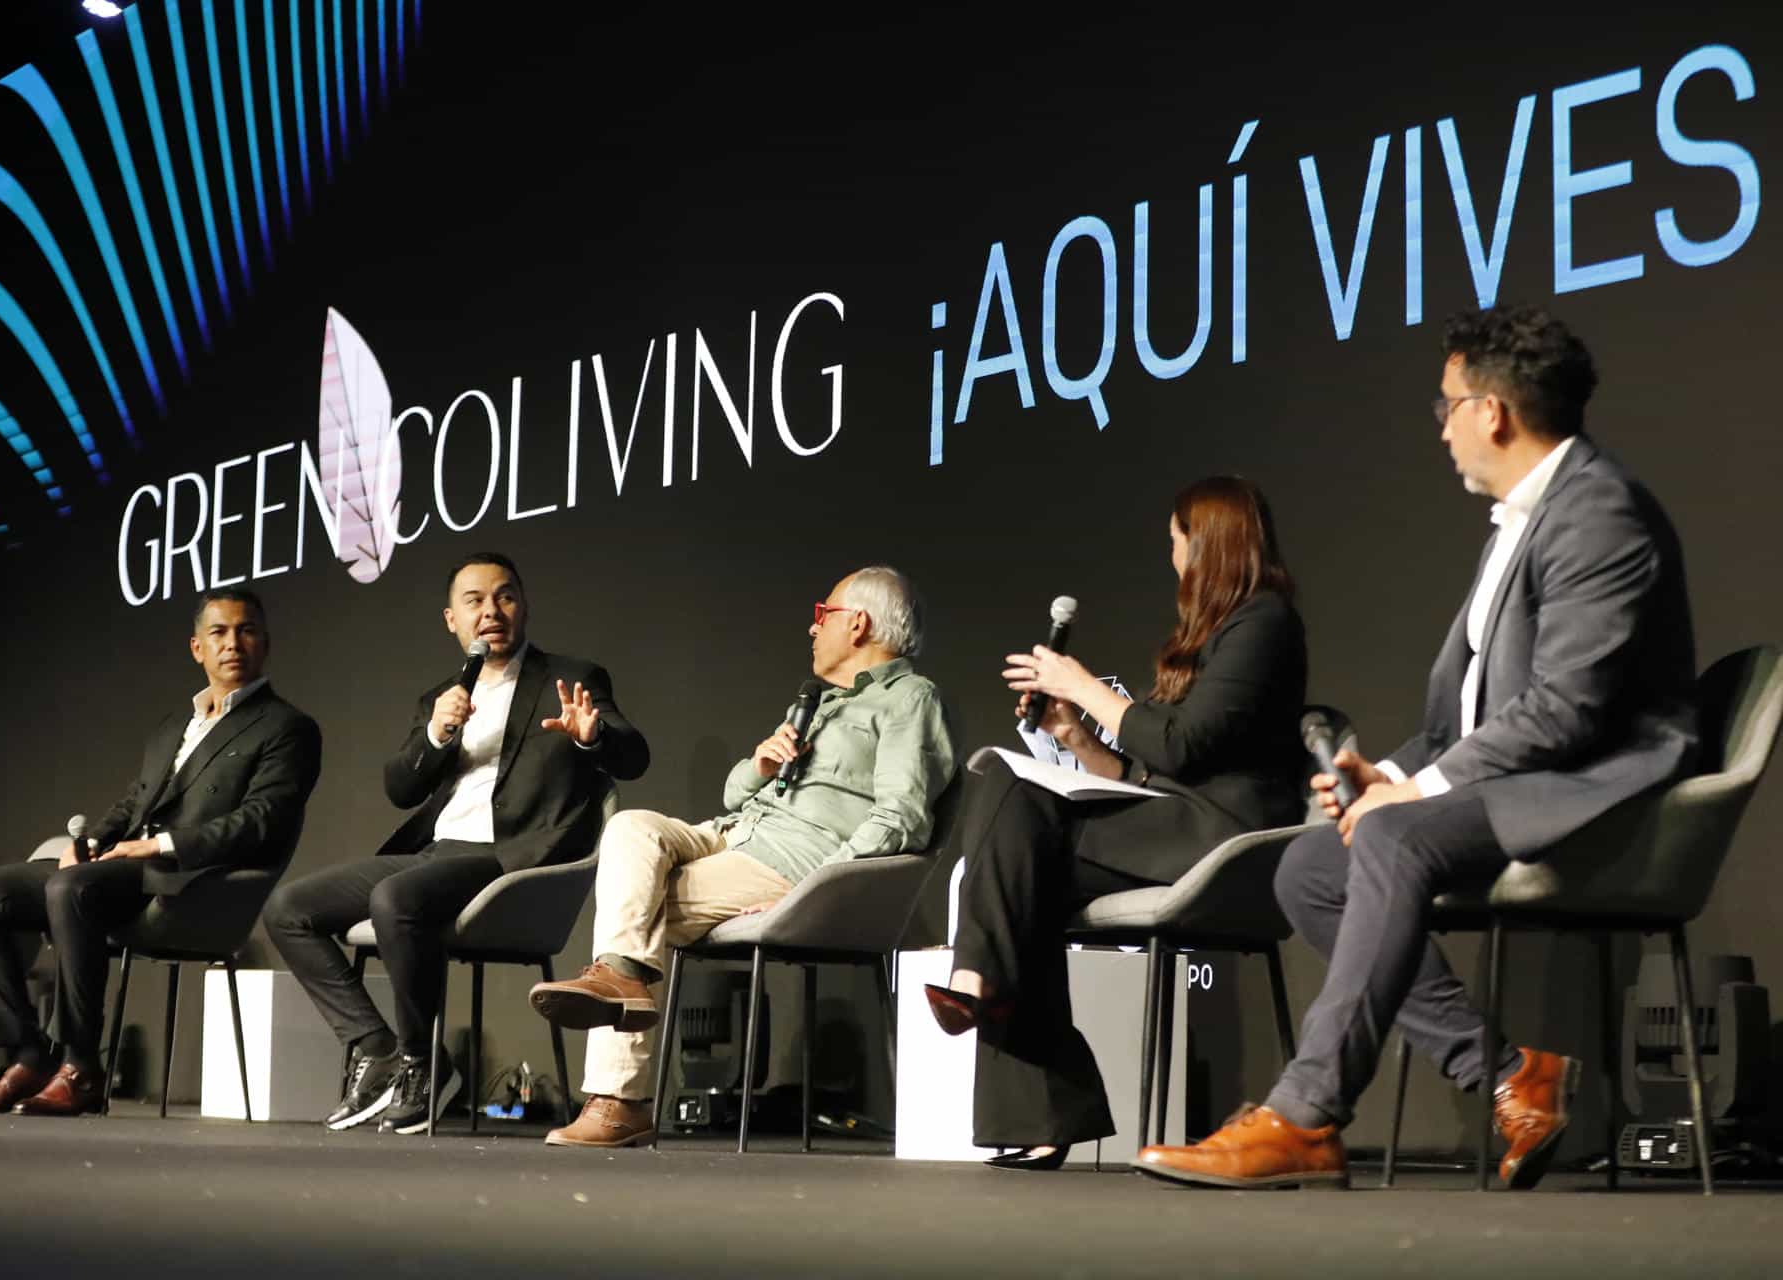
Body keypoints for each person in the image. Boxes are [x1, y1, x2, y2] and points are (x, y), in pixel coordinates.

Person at [1136, 305, 1698, 1190]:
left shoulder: (1599, 515)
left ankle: (1307, 1116)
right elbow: (1467, 709)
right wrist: (1384, 773)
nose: (1440, 427)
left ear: (1493, 413)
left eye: (1446, 406)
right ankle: (1513, 1077)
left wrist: (1418, 794)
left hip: (1596, 790)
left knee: (1392, 836)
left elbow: (1568, 711)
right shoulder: (1526, 519)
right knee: (1310, 869)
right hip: (1520, 775)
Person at [927, 476, 1307, 1170]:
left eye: (1174, 542)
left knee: (1018, 827)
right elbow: (1147, 774)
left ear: (1206, 543)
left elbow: (1183, 746)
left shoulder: (1264, 622)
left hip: (1229, 838)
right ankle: (1030, 1089)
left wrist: (1081, 686)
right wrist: (1076, 738)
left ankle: (981, 985)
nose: (1171, 558)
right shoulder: (1213, 633)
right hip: (1179, 821)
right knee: (1016, 824)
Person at [526, 565, 956, 1147]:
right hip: (736, 831)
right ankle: (621, 988)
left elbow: (902, 818)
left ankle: (618, 1098)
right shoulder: (818, 702)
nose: (812, 629)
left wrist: (821, 890)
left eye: (821, 615)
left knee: (636, 912)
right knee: (630, 829)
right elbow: (732, 794)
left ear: (858, 624)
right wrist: (762, 765)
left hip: (795, 862)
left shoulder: (910, 698)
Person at [262, 553, 648, 1135]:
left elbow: (633, 755)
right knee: (290, 909)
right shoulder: (442, 696)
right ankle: (379, 1048)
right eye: (474, 601)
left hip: (510, 858)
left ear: (523, 607)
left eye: (505, 597)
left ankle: (425, 1064)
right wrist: (436, 734)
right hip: (435, 855)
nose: (491, 611)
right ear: (452, 619)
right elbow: (400, 787)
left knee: (395, 899)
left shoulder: (570, 678)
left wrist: (593, 738)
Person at [0, 589, 322, 1116]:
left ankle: (80, 1068)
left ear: (266, 642)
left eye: (246, 631)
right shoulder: (176, 725)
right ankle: (29, 1053)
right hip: (124, 869)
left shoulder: (287, 728)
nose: (232, 643)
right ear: (197, 648)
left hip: (189, 878)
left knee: (71, 890)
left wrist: (160, 844)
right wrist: (90, 844)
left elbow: (265, 820)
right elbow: (133, 800)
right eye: (218, 633)